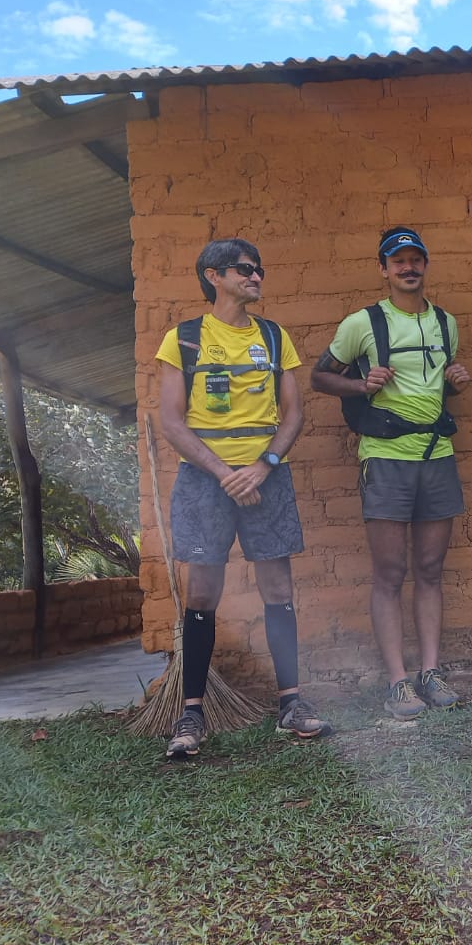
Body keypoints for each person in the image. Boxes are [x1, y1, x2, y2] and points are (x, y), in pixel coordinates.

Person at [154, 238, 329, 759]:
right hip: (205, 482)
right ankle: (191, 715)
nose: (256, 277)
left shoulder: (274, 338)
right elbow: (171, 421)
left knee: (278, 587)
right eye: (244, 270)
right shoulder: (183, 340)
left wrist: (261, 467)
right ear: (214, 276)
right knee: (202, 593)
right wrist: (224, 472)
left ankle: (291, 705)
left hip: (265, 479)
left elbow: (293, 415)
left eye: (259, 269)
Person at [309, 227, 470, 720]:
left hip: (436, 454)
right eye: (397, 261)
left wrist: (455, 385)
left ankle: (431, 671)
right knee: (389, 572)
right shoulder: (363, 322)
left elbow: (437, 389)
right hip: (384, 456)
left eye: (415, 259)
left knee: (429, 569)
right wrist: (361, 385)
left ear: (425, 264)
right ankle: (398, 681)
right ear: (383, 269)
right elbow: (319, 376)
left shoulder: (447, 323)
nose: (408, 268)